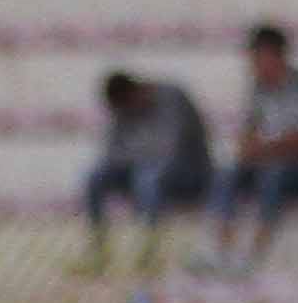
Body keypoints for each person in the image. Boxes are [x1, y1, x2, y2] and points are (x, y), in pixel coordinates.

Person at [203, 25, 298, 273]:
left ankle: (255, 252)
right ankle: (222, 249)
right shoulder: (258, 88)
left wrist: (261, 148)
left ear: (276, 56)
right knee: (227, 173)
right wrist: (248, 148)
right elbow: (250, 129)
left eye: (258, 58)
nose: (254, 65)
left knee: (274, 175)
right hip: (269, 158)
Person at [79, 71, 213, 273]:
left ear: (135, 92)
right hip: (144, 173)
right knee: (95, 176)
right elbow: (112, 152)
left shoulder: (172, 97)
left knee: (149, 177)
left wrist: (133, 155)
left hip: (190, 174)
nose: (128, 113)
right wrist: (134, 157)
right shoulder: (123, 110)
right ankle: (98, 248)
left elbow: (169, 151)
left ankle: (150, 250)